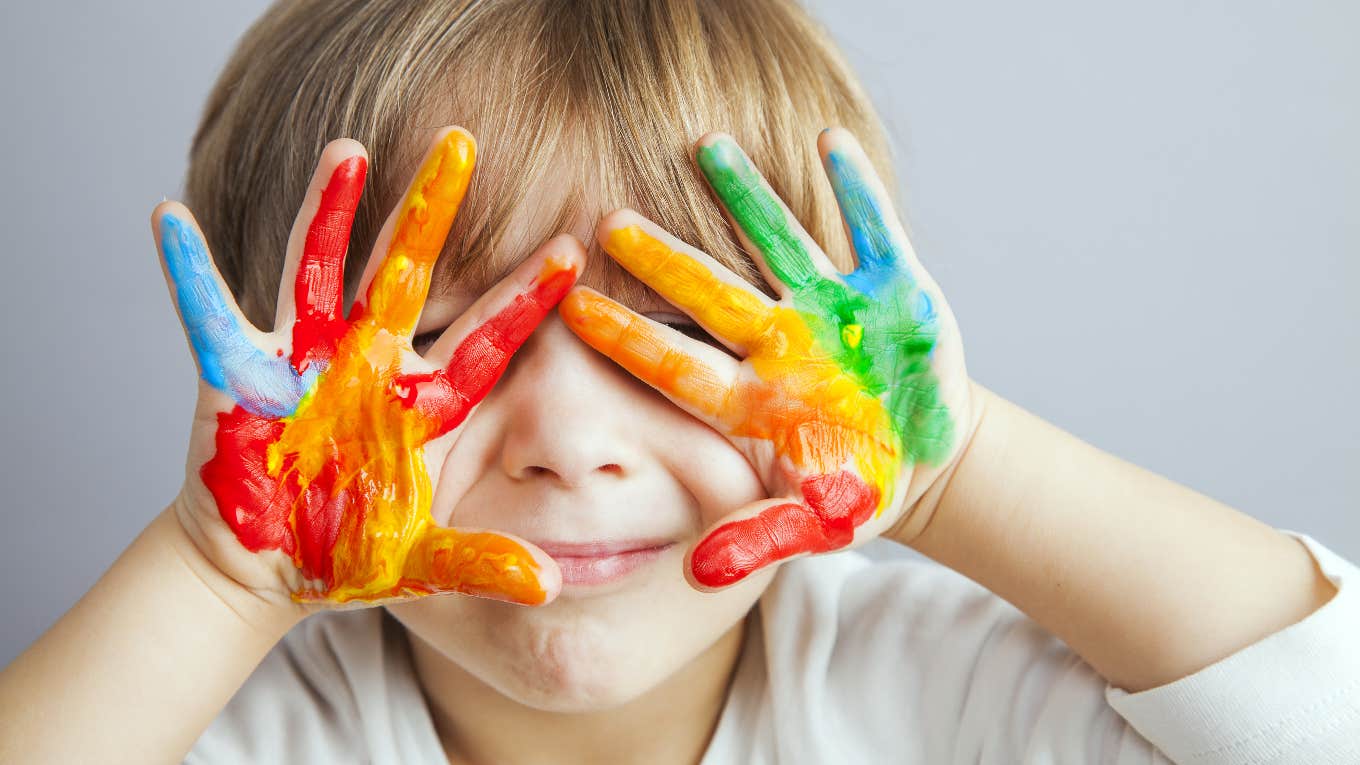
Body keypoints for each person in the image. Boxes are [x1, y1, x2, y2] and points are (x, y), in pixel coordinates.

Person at [1, 1, 1356, 763]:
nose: (572, 442)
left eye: (680, 344)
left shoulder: (942, 696)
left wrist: (960, 468)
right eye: (432, 348)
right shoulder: (226, 734)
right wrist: (215, 575)